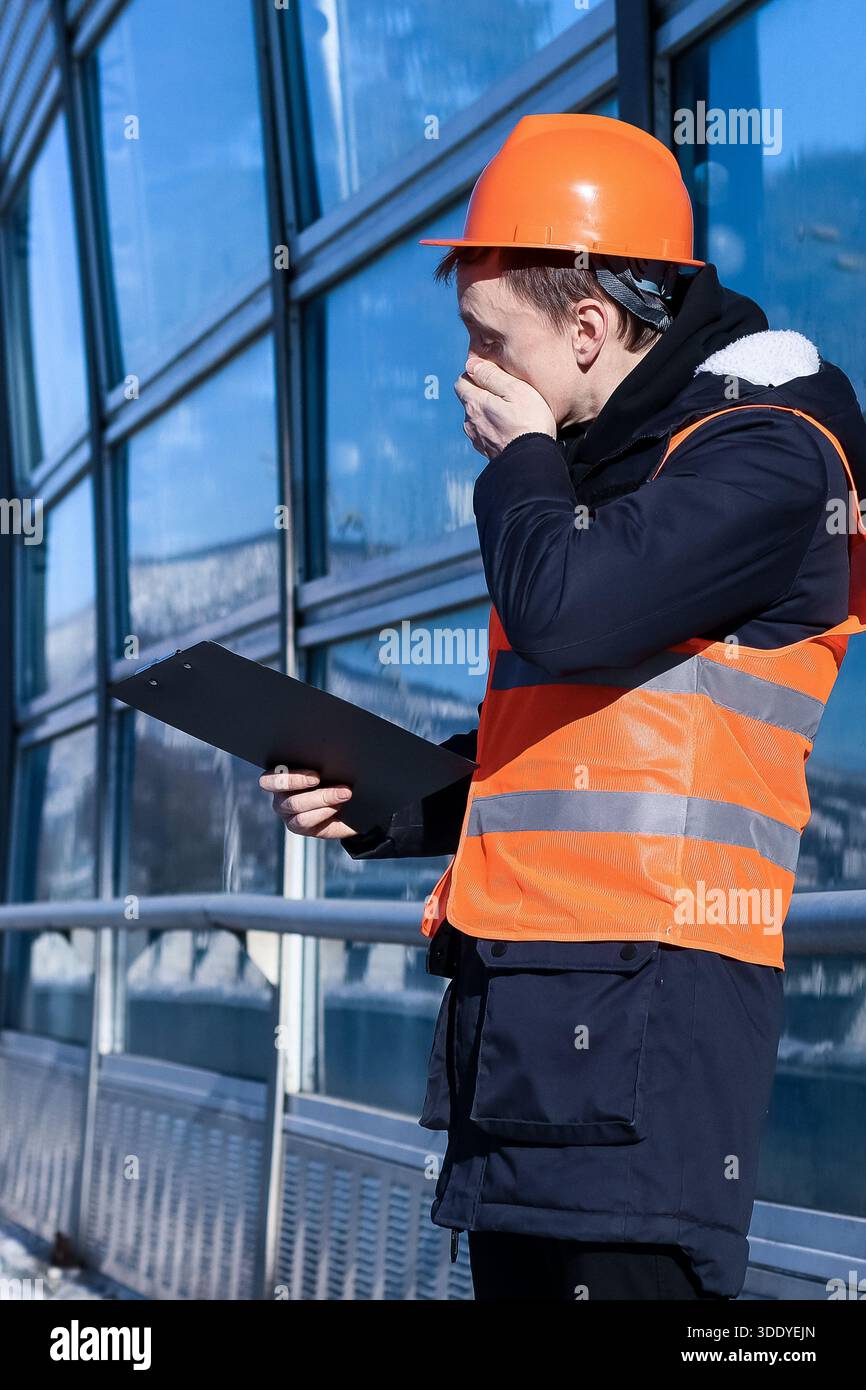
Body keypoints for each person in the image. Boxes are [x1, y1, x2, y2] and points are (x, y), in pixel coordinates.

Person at [260, 115, 866, 1301]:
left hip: (645, 1075)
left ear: (588, 329)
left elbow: (567, 614)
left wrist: (520, 459)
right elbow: (570, 750)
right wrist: (375, 797)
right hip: (527, 1065)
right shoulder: (611, 476)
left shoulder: (767, 457)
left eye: (491, 342)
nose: (469, 376)